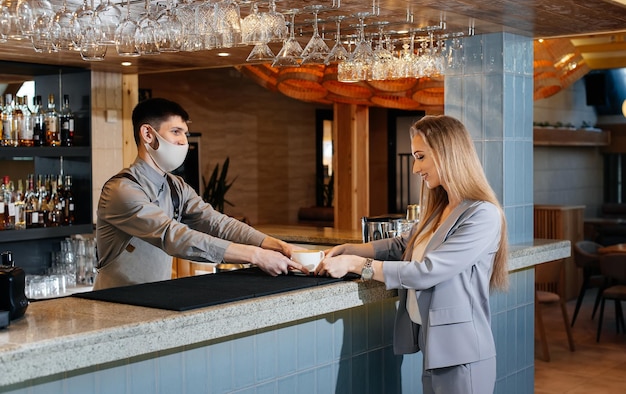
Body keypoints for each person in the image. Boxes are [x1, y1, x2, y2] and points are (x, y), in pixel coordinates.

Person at [316, 115, 509, 394]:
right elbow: (400, 246)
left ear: (447, 154)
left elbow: (427, 272)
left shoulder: (482, 215)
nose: (416, 168)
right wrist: (349, 249)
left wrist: (360, 265)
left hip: (463, 353)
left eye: (420, 157)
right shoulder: (441, 208)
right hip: (436, 348)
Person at [94, 98, 302, 290]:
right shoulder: (121, 190)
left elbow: (217, 223)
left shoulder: (176, 186)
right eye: (176, 131)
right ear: (148, 134)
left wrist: (277, 245)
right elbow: (172, 236)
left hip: (156, 301)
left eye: (185, 133)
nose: (184, 141)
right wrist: (255, 255)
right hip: (114, 306)